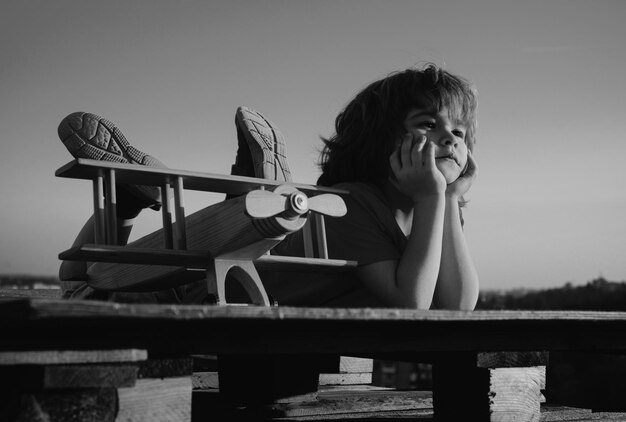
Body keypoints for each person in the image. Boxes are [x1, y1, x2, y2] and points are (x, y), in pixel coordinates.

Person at [58, 63, 479, 310]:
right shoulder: (358, 204)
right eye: (428, 124)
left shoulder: (426, 211)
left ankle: (232, 195)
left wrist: (449, 200)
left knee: (85, 280)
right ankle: (239, 197)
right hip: (175, 298)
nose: (452, 139)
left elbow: (457, 305)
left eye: (459, 131)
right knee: (78, 285)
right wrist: (431, 196)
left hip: (225, 284)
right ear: (380, 142)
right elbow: (410, 305)